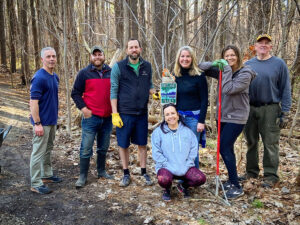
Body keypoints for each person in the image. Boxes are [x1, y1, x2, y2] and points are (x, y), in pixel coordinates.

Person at [199, 45, 256, 199]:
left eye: (233, 55)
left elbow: (229, 89)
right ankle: (232, 180)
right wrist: (216, 63)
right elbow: (200, 67)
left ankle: (237, 187)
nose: (230, 58)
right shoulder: (223, 69)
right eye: (226, 56)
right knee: (226, 148)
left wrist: (225, 70)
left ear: (238, 56)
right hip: (222, 116)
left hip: (237, 117)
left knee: (224, 147)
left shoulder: (245, 73)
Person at [244, 34, 291, 188]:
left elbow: (285, 88)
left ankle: (271, 175)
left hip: (270, 108)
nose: (263, 45)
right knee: (251, 142)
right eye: (260, 43)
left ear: (271, 46)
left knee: (270, 143)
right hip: (250, 108)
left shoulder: (279, 64)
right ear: (255, 46)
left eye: (267, 43)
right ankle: (251, 172)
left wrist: (285, 111)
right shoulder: (248, 64)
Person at [110, 39, 155, 187]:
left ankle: (143, 172)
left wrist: (157, 93)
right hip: (124, 113)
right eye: (131, 47)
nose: (134, 50)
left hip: (142, 113)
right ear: (127, 50)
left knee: (142, 143)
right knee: (123, 144)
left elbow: (150, 85)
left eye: (136, 47)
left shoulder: (147, 66)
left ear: (140, 49)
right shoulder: (119, 67)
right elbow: (114, 90)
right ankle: (126, 173)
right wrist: (115, 113)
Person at [71, 46, 114, 188]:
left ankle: (101, 171)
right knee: (86, 148)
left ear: (103, 56)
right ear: (91, 57)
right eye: (94, 55)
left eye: (99, 54)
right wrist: (84, 109)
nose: (97, 57)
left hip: (107, 118)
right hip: (91, 117)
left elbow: (117, 92)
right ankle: (83, 176)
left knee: (103, 147)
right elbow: (75, 93)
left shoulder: (111, 72)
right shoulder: (84, 73)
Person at [151, 103, 206, 201]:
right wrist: (166, 164)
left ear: (178, 115)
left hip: (185, 166)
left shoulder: (187, 131)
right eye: (167, 114)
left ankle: (183, 186)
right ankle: (166, 189)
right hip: (166, 167)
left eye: (173, 113)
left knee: (200, 179)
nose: (170, 116)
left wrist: (188, 163)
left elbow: (194, 149)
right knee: (163, 179)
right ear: (164, 117)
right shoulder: (158, 132)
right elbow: (156, 152)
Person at [29, 47, 62, 194]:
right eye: (48, 56)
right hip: (42, 123)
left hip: (52, 121)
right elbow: (33, 102)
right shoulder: (39, 77)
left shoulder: (54, 76)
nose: (51, 59)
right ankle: (35, 183)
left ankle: (46, 175)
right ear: (42, 59)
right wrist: (37, 123)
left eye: (53, 56)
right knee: (38, 152)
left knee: (48, 150)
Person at [172, 46, 208, 169]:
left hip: (194, 118)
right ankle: (181, 177)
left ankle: (193, 178)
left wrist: (201, 121)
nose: (185, 59)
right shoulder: (174, 76)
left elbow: (204, 100)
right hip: (178, 118)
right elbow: (171, 99)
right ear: (178, 58)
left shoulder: (199, 75)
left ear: (192, 58)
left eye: (188, 56)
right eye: (182, 56)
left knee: (192, 150)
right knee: (179, 148)